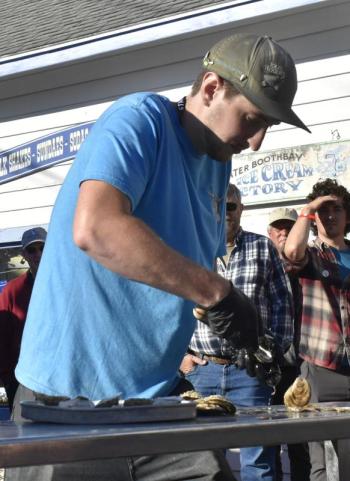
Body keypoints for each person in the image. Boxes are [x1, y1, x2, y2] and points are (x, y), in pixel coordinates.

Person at [6, 33, 309, 481]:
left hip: (158, 399)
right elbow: (97, 228)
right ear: (211, 89)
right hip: (65, 404)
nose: (257, 141)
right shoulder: (139, 119)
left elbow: (181, 272)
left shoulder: (216, 159)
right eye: (253, 119)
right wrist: (221, 294)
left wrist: (243, 336)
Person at [180, 184, 293, 481]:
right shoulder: (193, 250)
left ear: (241, 209)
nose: (224, 213)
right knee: (202, 464)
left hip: (251, 372)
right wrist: (181, 357)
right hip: (202, 371)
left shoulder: (262, 247)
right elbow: (172, 305)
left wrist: (273, 351)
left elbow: (282, 301)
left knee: (259, 463)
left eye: (230, 206)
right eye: (218, 206)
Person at [284, 178, 350, 481]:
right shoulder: (312, 255)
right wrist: (308, 209)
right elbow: (291, 251)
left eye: (336, 208)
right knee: (323, 459)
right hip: (322, 366)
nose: (330, 215)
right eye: (324, 210)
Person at [267, 207, 311, 481]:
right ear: (269, 233)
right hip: (266, 368)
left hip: (301, 367)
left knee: (301, 441)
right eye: (278, 228)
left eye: (290, 227)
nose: (284, 233)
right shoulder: (261, 264)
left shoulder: (311, 264)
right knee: (267, 441)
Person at [0, 227, 47, 410]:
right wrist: (5, 376)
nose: (38, 254)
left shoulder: (64, 284)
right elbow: (2, 334)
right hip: (23, 377)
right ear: (24, 255)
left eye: (42, 248)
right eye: (31, 250)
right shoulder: (12, 290)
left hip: (59, 376)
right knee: (25, 430)